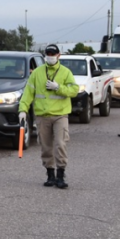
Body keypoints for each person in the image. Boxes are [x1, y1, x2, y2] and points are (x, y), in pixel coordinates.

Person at [18, 44, 79, 189]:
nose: (50, 56)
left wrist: (59, 88)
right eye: (48, 54)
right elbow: (28, 93)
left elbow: (74, 90)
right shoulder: (37, 73)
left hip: (60, 115)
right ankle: (50, 174)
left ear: (59, 56)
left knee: (60, 144)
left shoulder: (65, 72)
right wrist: (23, 110)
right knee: (46, 147)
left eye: (53, 54)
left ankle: (60, 175)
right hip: (42, 116)